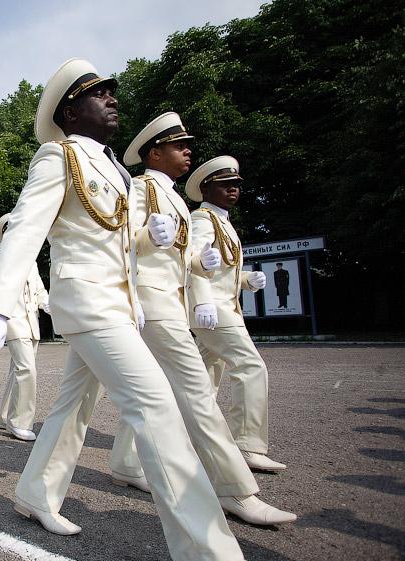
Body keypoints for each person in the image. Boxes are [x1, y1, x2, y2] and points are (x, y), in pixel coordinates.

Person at [0, 58, 290, 561]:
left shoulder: (113, 171)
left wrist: (150, 240)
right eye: (98, 94)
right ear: (70, 111)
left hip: (117, 305)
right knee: (157, 405)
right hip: (87, 302)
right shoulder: (58, 156)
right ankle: (209, 558)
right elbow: (27, 228)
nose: (112, 99)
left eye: (111, 92)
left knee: (74, 405)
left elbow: (119, 245)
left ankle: (36, 493)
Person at [106, 113, 295, 526]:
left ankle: (125, 462)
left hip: (172, 302)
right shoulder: (140, 188)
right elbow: (120, 242)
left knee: (154, 389)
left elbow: (182, 258)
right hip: (153, 301)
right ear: (154, 153)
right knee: (197, 392)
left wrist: (201, 265)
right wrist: (136, 280)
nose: (188, 151)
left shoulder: (173, 197)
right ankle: (234, 489)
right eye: (179, 146)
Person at [186, 156, 284, 472]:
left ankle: (187, 438)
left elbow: (221, 268)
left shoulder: (223, 222)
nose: (233, 190)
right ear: (205, 189)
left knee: (202, 379)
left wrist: (245, 279)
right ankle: (247, 444)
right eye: (224, 185)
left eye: (236, 185)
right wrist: (202, 302)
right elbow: (194, 261)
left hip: (224, 307)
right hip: (213, 309)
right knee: (251, 366)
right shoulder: (202, 220)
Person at [0, 214, 49, 442]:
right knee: (27, 370)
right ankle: (20, 422)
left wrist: (48, 304)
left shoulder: (31, 261)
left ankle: (5, 415)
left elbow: (39, 289)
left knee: (17, 370)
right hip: (13, 319)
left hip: (31, 321)